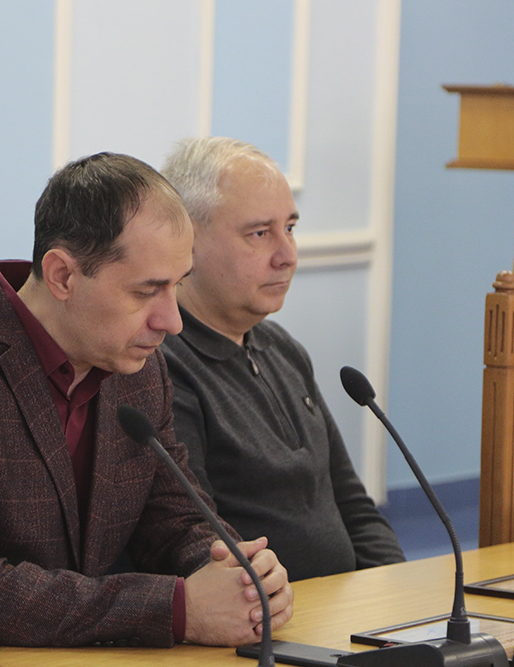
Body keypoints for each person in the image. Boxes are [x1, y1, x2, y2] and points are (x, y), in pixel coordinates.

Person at [0, 152, 293, 649]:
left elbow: (173, 518)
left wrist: (235, 574)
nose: (172, 321)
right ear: (62, 276)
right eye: (147, 291)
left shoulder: (138, 368)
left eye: (177, 285)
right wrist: (178, 609)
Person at [159, 137, 405, 581]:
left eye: (289, 228)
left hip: (348, 608)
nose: (287, 256)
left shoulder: (282, 348)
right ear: (187, 241)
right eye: (259, 233)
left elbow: (351, 504)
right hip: (267, 612)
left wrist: (394, 591)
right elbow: (197, 541)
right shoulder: (162, 367)